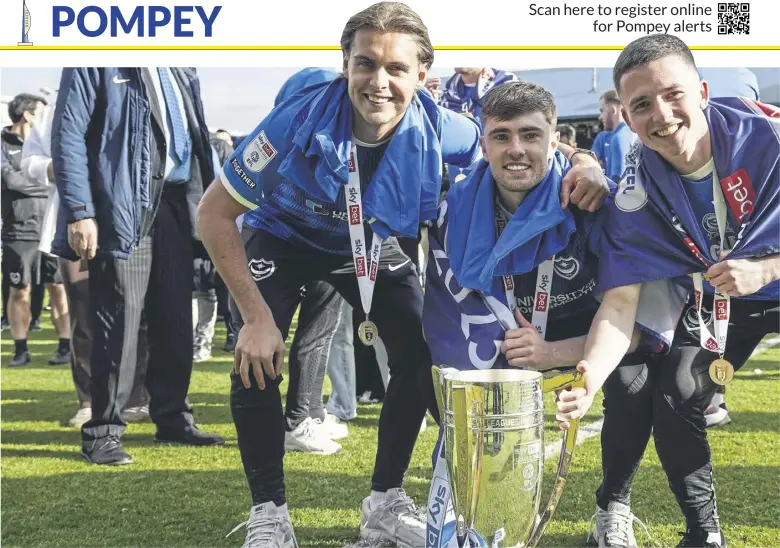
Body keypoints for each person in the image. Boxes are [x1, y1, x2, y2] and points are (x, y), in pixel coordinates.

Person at [197, 5, 608, 546]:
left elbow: (529, 139)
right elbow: (212, 214)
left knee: (419, 353)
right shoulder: (297, 118)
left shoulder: (441, 124)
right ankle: (270, 514)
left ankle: (385, 502)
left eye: (396, 68)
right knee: (257, 357)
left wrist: (585, 164)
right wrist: (253, 319)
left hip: (363, 242)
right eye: (365, 64)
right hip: (284, 236)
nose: (379, 82)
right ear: (345, 65)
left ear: (422, 75)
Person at [555, 34, 780, 548]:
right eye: (641, 105)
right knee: (676, 390)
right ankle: (705, 533)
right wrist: (589, 377)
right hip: (724, 302)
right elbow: (620, 302)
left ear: (701, 91)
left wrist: (769, 269)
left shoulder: (768, 138)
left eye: (672, 93)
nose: (661, 113)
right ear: (627, 117)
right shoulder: (635, 187)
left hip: (764, 280)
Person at [421, 81, 648, 548]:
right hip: (512, 341)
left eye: (530, 135)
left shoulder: (596, 203)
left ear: (554, 137)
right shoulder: (456, 212)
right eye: (501, 136)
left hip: (592, 336)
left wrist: (554, 353)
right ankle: (463, 511)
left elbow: (637, 327)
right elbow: (451, 325)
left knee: (637, 379)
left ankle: (614, 505)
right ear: (483, 143)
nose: (516, 150)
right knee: (463, 389)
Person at [51, 67, 225, 466]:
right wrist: (80, 211)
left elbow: (197, 139)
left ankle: (172, 417)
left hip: (178, 205)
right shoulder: (95, 55)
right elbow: (69, 135)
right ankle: (103, 431)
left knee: (175, 320)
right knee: (119, 324)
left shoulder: (180, 64)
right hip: (125, 207)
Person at [22, 102, 151, 428]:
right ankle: (89, 401)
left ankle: (136, 396)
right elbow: (30, 161)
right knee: (84, 314)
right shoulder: (56, 107)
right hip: (75, 222)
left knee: (135, 312)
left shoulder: (138, 95)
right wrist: (61, 168)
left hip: (131, 221)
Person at [2, 93, 71, 368]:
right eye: (40, 112)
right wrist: (51, 180)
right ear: (27, 115)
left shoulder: (50, 142)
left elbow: (25, 179)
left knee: (59, 288)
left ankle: (65, 346)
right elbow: (10, 180)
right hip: (19, 230)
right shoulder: (3, 144)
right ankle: (20, 349)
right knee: (20, 290)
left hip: (51, 226)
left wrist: (41, 177)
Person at [598, 89, 637, 182]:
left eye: (602, 110)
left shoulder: (619, 138)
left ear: (613, 109)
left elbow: (617, 182)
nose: (600, 117)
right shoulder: (634, 133)